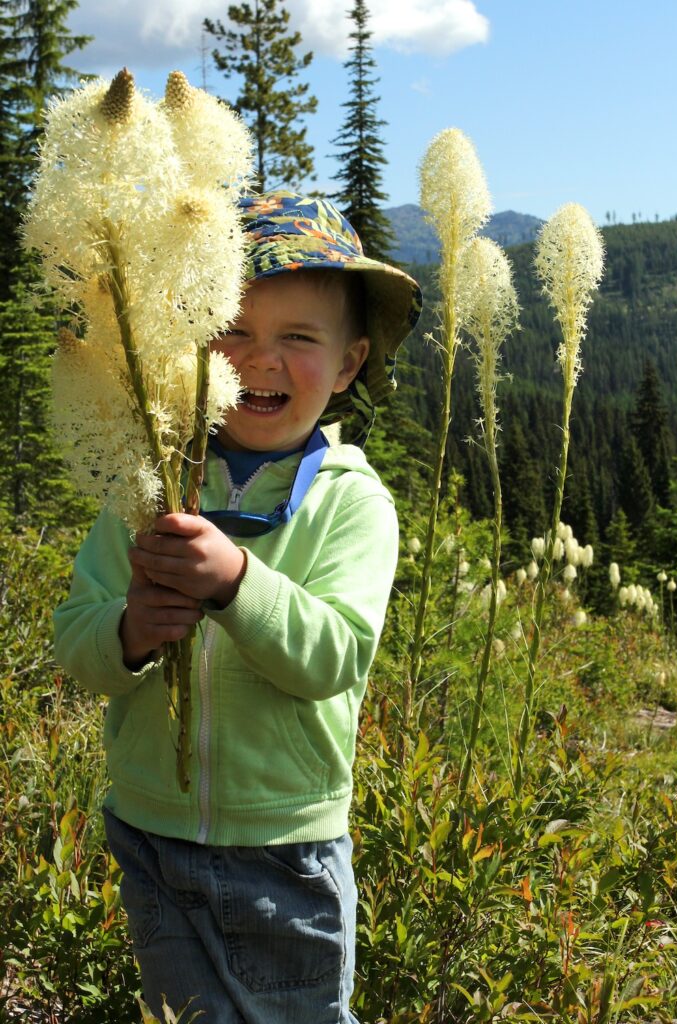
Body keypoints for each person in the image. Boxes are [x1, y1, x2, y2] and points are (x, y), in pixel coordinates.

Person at [54, 190, 422, 1024]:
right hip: (151, 835)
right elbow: (75, 637)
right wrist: (129, 635)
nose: (261, 361)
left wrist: (236, 583)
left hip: (286, 852)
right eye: (234, 331)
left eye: (299, 339)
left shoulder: (351, 504)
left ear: (351, 362)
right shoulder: (146, 481)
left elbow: (335, 655)